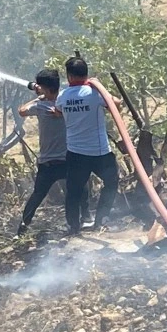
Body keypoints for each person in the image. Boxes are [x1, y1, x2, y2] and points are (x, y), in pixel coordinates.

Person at [55, 57, 122, 235]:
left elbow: (58, 111)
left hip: (76, 153)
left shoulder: (63, 96)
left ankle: (73, 226)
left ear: (69, 75)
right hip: (100, 153)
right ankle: (101, 219)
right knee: (112, 182)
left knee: (73, 191)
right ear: (87, 73)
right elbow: (117, 104)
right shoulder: (95, 94)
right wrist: (99, 86)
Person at [15, 68, 67, 237]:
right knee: (75, 192)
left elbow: (22, 111)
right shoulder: (66, 100)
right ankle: (80, 223)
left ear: (44, 87)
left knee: (38, 195)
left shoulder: (40, 105)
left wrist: (37, 97)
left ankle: (23, 228)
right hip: (67, 158)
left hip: (48, 161)